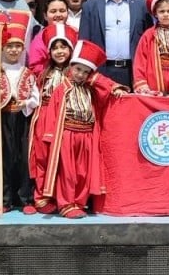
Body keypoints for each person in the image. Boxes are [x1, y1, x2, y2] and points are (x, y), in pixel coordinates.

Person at [35, 40, 127, 218]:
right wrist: (51, 137)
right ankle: (66, 204)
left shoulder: (90, 90)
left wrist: (114, 88)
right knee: (68, 173)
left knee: (83, 172)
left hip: (86, 136)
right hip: (67, 135)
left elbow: (103, 87)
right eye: (78, 69)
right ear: (71, 67)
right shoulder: (62, 89)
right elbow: (53, 113)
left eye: (86, 72)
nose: (80, 74)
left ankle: (79, 202)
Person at [0, 11, 39, 214]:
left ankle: (24, 198)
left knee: (22, 159)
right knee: (2, 158)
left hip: (21, 120)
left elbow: (35, 97)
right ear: (3, 48)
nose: (13, 50)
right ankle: (2, 200)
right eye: (9, 46)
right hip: (2, 119)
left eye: (17, 46)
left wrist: (26, 103)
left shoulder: (27, 72)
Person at [25, 22, 78, 214]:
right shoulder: (42, 73)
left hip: (64, 120)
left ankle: (62, 198)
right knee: (42, 157)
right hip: (43, 117)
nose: (59, 51)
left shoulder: (76, 74)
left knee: (63, 159)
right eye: (55, 48)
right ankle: (41, 197)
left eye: (63, 47)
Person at [77, 0, 151, 87]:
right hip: (101, 72)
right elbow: (84, 43)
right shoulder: (90, 7)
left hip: (133, 72)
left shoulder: (141, 5)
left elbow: (148, 42)